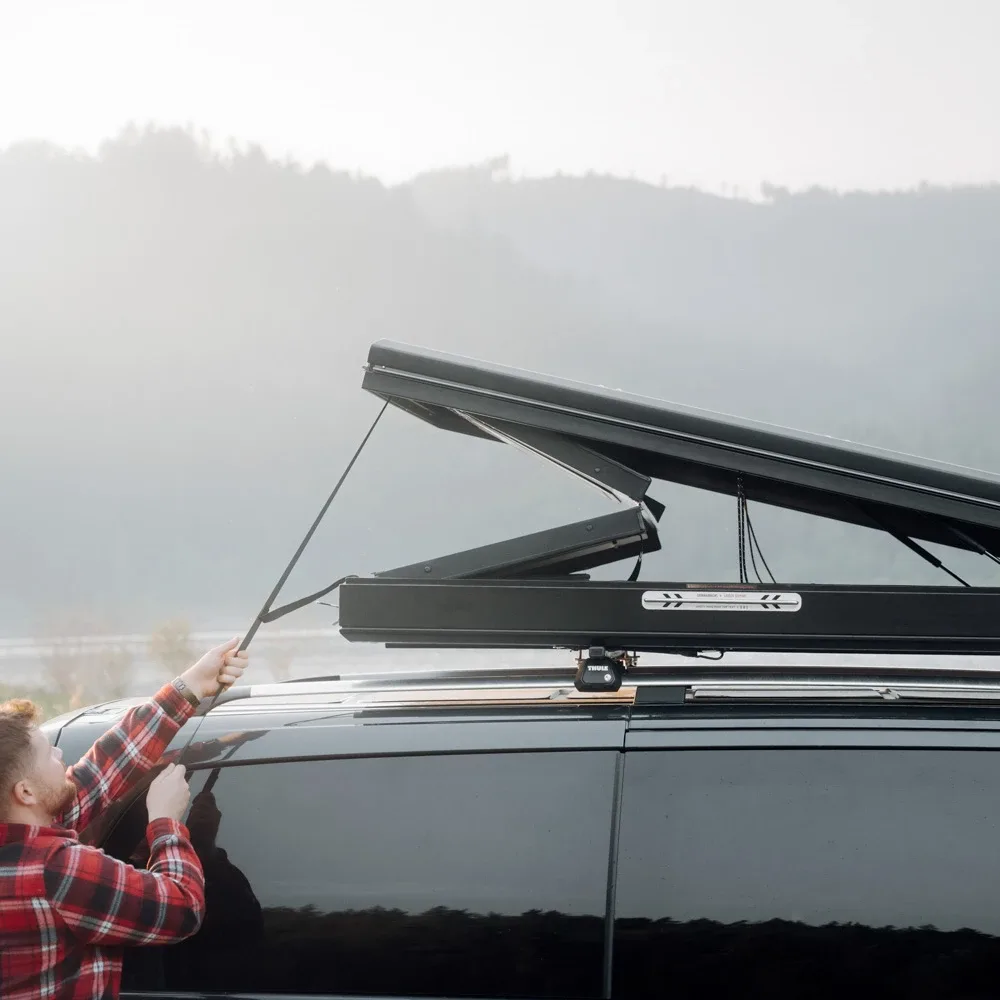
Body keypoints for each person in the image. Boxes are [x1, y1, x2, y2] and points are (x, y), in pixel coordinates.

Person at [0, 637, 248, 1000]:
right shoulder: (57, 871)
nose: (59, 752)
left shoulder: (24, 837)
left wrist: (191, 685)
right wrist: (166, 823)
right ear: (26, 793)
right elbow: (182, 908)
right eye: (48, 755)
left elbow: (102, 771)